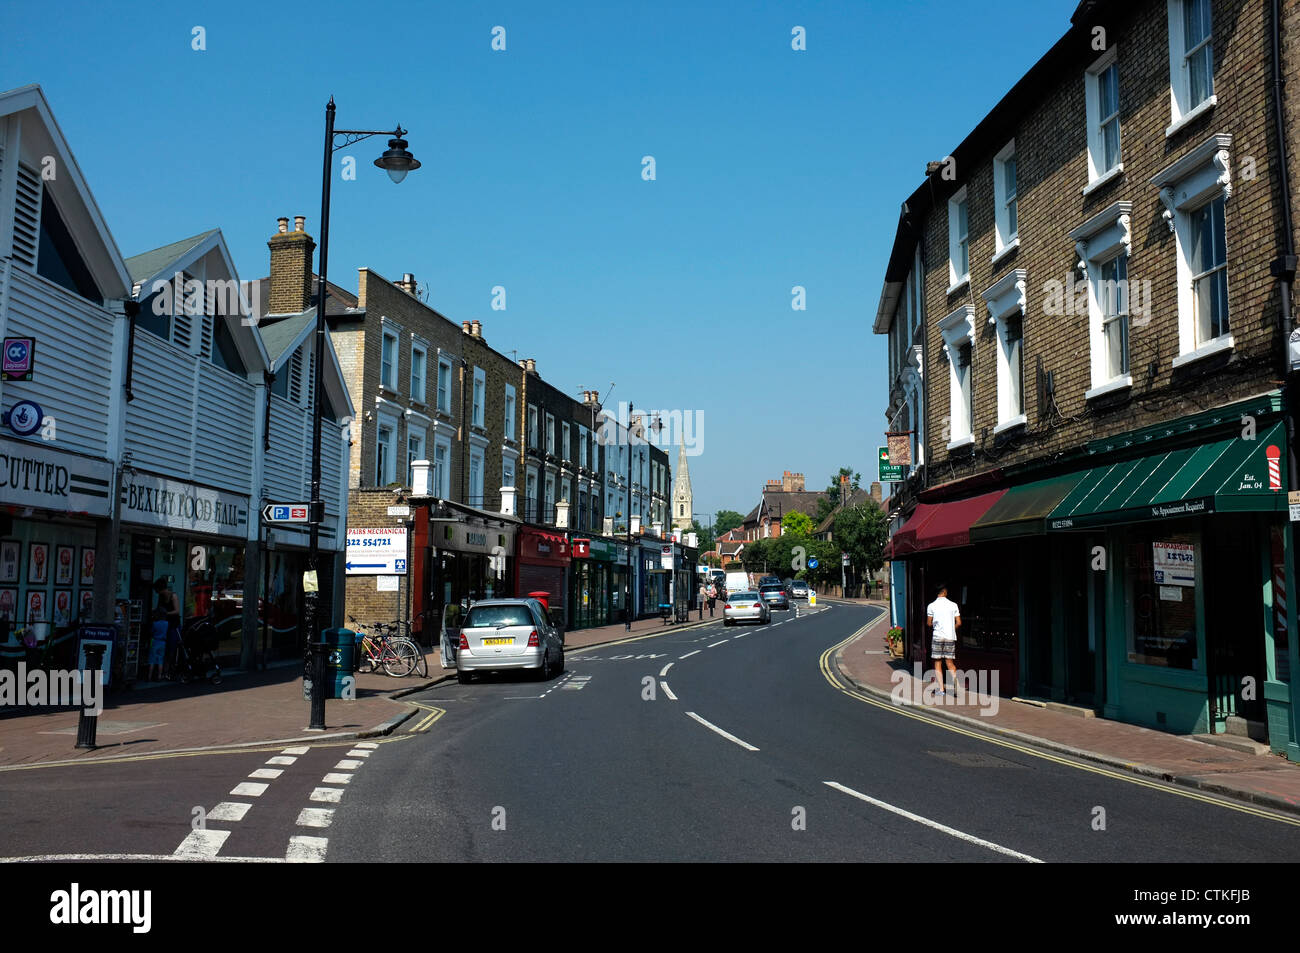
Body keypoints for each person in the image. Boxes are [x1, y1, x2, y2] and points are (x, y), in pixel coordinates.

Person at [926, 582, 961, 696]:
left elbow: (929, 623)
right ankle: (957, 687)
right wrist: (951, 628)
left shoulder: (931, 606)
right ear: (945, 592)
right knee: (950, 663)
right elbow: (959, 623)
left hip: (937, 636)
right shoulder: (953, 605)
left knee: (937, 663)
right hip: (950, 637)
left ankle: (941, 690)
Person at [153, 577, 181, 675]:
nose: (156, 593)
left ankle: (169, 669)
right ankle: (164, 669)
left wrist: (165, 613)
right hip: (164, 625)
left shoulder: (173, 596)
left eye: (157, 590)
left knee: (171, 647)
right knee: (164, 648)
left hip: (173, 625)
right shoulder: (161, 597)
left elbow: (177, 611)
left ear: (160, 589)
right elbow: (158, 608)